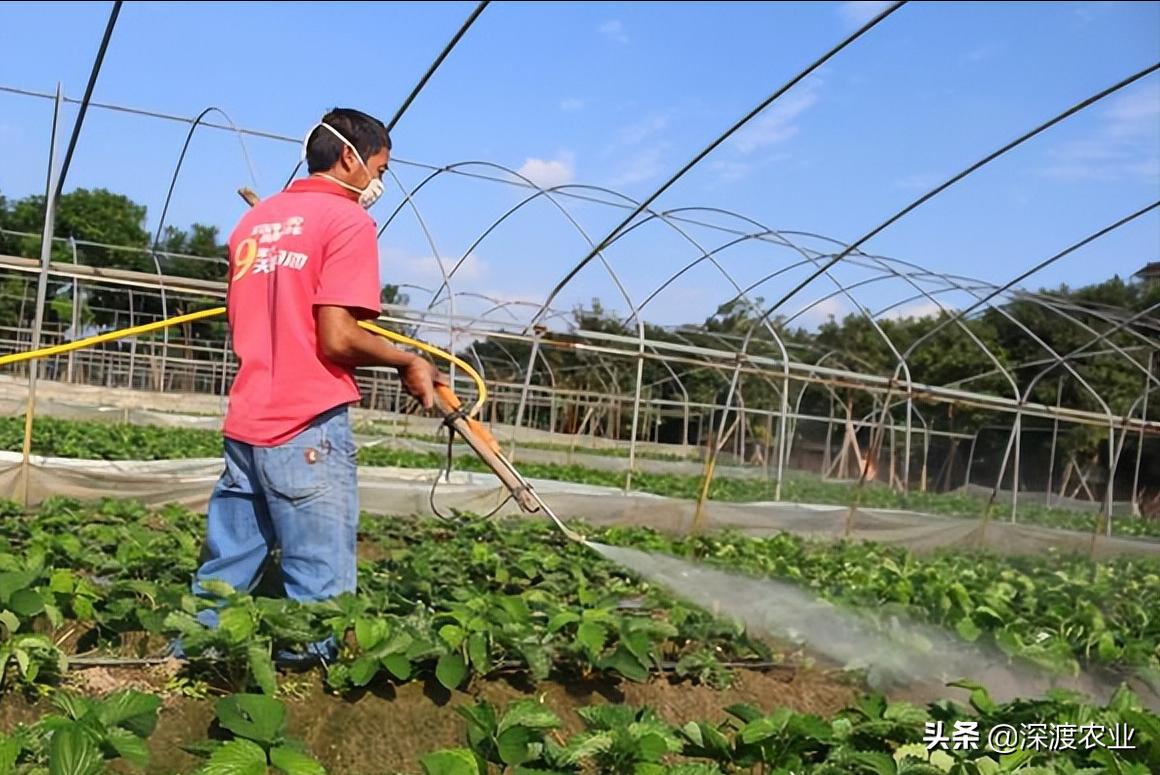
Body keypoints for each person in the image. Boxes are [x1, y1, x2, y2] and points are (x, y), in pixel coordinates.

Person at [181, 108, 445, 666]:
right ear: (350, 157)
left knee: (223, 573)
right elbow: (337, 337)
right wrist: (405, 360)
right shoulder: (347, 220)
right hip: (306, 424)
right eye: (380, 167)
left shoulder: (255, 222)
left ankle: (187, 665)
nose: (379, 182)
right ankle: (302, 697)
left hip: (247, 421)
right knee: (318, 589)